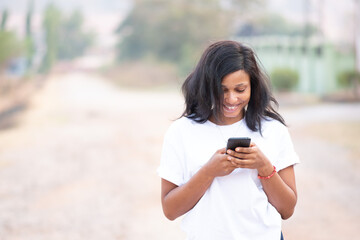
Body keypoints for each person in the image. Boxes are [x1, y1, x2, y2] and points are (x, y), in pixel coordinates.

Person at [157, 40, 299, 240]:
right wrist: (208, 172)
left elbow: (287, 209)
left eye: (240, 90)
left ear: (253, 87)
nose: (231, 99)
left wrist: (264, 167)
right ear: (206, 86)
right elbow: (170, 210)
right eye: (222, 90)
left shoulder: (273, 130)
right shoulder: (181, 132)